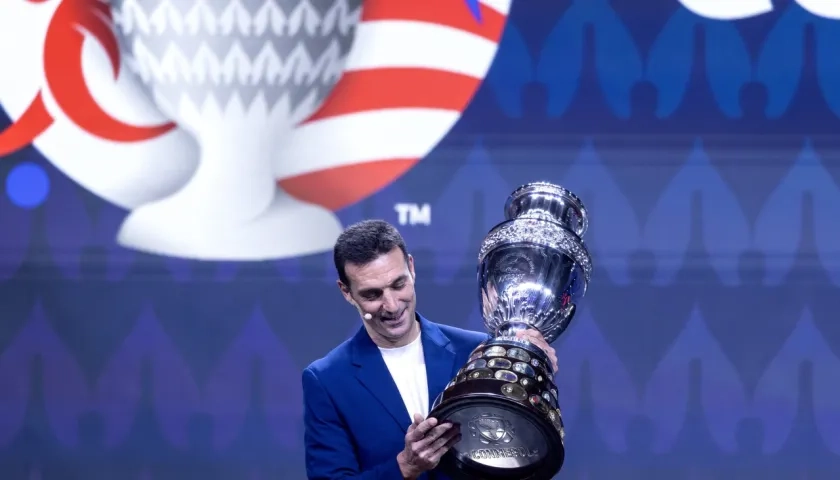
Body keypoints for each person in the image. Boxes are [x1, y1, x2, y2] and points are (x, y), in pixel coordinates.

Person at [301, 219, 559, 480]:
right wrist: (404, 467)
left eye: (398, 284)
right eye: (372, 295)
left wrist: (535, 371)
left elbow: (519, 447)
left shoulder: (480, 352)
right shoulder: (327, 380)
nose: (391, 305)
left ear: (411, 268)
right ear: (346, 292)